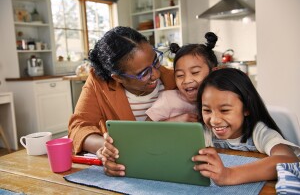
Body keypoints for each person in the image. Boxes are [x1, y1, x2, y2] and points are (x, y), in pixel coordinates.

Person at [68, 26, 176, 174]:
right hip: (131, 171)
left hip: (171, 162)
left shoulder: (177, 78)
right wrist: (103, 147)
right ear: (118, 78)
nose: (156, 74)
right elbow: (77, 127)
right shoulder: (99, 83)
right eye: (144, 73)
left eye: (156, 61)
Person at [193, 68, 300, 186]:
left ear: (246, 108)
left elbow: (290, 161)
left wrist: (229, 175)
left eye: (224, 110)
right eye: (207, 110)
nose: (214, 120)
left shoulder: (259, 132)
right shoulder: (206, 132)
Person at [145, 32, 218, 122]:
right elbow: (147, 128)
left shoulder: (222, 97)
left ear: (213, 73)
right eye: (180, 75)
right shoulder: (168, 99)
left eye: (195, 72)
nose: (186, 80)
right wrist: (175, 121)